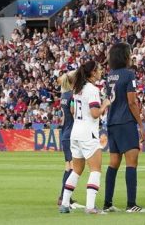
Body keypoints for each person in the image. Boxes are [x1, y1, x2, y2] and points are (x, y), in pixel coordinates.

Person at [59, 60, 111, 214]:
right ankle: (90, 206)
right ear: (93, 72)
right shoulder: (92, 90)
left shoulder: (77, 89)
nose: (101, 71)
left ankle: (65, 204)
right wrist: (105, 104)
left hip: (75, 132)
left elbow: (74, 112)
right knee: (95, 170)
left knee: (76, 170)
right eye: (99, 69)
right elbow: (95, 113)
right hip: (88, 132)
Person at [103, 42, 145, 213]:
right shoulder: (129, 75)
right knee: (132, 162)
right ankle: (131, 204)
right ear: (125, 56)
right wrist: (141, 124)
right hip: (125, 121)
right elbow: (132, 101)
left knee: (113, 162)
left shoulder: (110, 76)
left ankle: (108, 203)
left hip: (112, 122)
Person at [57, 70, 85, 209]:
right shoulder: (72, 96)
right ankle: (64, 197)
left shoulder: (63, 96)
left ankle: (64, 196)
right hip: (71, 133)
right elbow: (74, 113)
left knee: (68, 166)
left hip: (65, 133)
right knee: (73, 167)